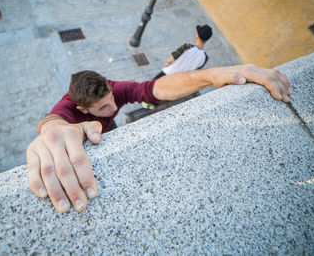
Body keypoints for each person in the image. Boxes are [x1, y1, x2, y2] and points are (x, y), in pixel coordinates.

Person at [26, 65, 292, 213]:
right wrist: (50, 132)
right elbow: (52, 123)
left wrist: (211, 75)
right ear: (83, 110)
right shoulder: (70, 109)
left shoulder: (113, 91)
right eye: (104, 108)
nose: (112, 107)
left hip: (104, 132)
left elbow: (154, 89)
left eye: (112, 101)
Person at [143, 24, 212, 109]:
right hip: (180, 79)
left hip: (168, 72)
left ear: (197, 35)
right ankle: (154, 104)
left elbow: (171, 59)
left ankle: (147, 102)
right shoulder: (205, 58)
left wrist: (167, 63)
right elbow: (196, 71)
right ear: (207, 39)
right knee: (165, 91)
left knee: (152, 85)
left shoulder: (187, 47)